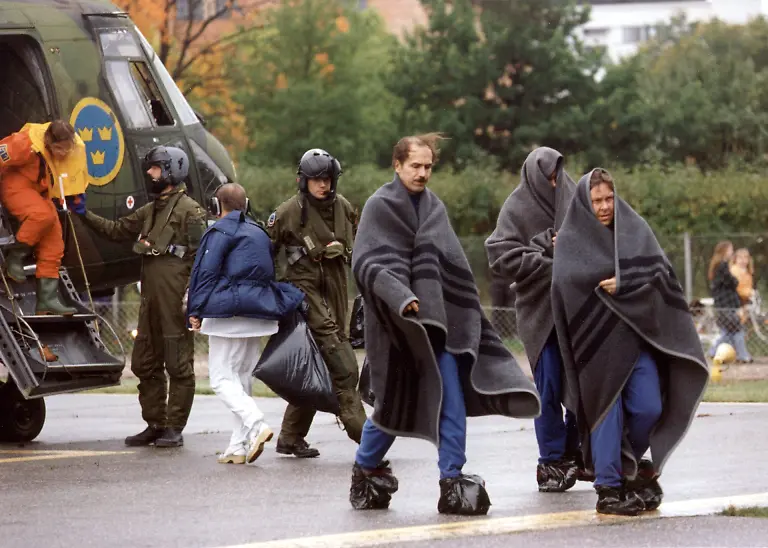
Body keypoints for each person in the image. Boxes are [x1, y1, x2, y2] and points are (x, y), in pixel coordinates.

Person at [349, 133, 541, 515]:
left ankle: (451, 478)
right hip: (398, 330)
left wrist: (465, 311)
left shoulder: (435, 208)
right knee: (394, 407)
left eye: (428, 167)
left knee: (451, 400)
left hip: (443, 328)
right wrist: (402, 296)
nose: (422, 174)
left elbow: (453, 268)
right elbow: (366, 264)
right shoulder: (379, 206)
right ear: (397, 165)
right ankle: (366, 466)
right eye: (415, 166)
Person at [551, 168, 709, 516]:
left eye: (609, 198)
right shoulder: (571, 240)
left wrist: (626, 280)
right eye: (597, 201)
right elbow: (566, 287)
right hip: (595, 347)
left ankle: (625, 464)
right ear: (584, 203)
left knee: (648, 407)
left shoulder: (635, 230)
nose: (605, 206)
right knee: (606, 412)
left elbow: (659, 273)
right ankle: (608, 487)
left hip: (637, 342)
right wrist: (606, 282)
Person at [79, 145, 207, 447]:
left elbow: (203, 259)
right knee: (144, 363)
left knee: (178, 365)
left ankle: (174, 428)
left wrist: (195, 300)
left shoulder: (191, 211)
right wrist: (83, 214)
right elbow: (116, 230)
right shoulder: (149, 211)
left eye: (156, 168)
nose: (150, 173)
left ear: (173, 170)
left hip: (176, 301)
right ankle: (155, 423)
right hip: (150, 299)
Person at [485, 146, 583, 493]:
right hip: (540, 314)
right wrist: (546, 252)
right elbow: (500, 254)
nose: (555, 182)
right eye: (548, 177)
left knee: (582, 384)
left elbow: (597, 239)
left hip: (577, 311)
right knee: (550, 385)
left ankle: (578, 451)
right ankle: (551, 460)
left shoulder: (575, 197)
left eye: (558, 175)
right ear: (534, 176)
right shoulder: (517, 207)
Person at [187, 183, 304, 464]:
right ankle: (238, 447)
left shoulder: (217, 232)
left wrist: (195, 309)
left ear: (217, 206)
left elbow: (205, 273)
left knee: (220, 377)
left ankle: (256, 424)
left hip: (228, 312)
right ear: (246, 204)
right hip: (259, 311)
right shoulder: (259, 231)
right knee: (240, 378)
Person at [267, 149, 366, 458]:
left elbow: (360, 246)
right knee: (344, 367)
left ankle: (291, 437)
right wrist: (276, 291)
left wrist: (345, 253)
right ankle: (369, 440)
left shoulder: (344, 208)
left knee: (316, 365)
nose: (322, 185)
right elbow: (263, 251)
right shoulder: (287, 212)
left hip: (336, 294)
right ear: (303, 181)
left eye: (327, 179)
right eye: (316, 180)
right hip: (305, 296)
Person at [0, 120, 89, 316]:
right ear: (48, 141)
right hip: (16, 185)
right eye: (59, 149)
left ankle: (47, 300)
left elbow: (70, 175)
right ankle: (14, 258)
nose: (64, 153)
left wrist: (75, 197)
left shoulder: (72, 150)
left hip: (40, 191)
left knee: (55, 242)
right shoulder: (23, 144)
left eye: (67, 149)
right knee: (42, 216)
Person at [707, 241, 753, 363]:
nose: (732, 252)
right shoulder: (722, 266)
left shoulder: (719, 266)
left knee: (728, 331)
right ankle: (742, 356)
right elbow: (732, 282)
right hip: (726, 304)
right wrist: (735, 281)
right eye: (730, 250)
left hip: (724, 304)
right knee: (736, 329)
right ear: (725, 251)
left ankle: (714, 351)